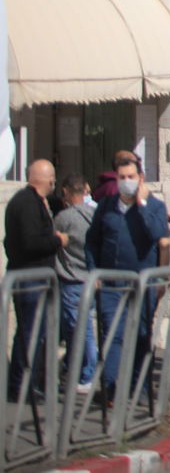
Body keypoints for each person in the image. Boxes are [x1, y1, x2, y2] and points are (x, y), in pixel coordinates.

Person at [86, 152, 169, 401]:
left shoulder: (155, 206)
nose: (126, 181)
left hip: (143, 284)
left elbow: (158, 235)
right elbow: (92, 241)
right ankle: (110, 388)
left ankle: (139, 388)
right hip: (112, 284)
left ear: (140, 178)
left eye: (130, 176)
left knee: (142, 334)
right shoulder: (106, 206)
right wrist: (94, 271)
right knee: (113, 333)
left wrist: (142, 204)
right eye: (121, 177)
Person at [4, 159, 67, 400]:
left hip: (32, 278)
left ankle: (29, 383)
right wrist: (58, 240)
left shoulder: (27, 201)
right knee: (30, 333)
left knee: (33, 333)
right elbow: (30, 243)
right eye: (53, 178)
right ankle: (22, 386)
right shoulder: (27, 203)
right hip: (31, 279)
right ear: (49, 179)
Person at [53, 175, 97, 395]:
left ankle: (85, 374)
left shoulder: (64, 218)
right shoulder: (95, 214)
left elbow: (54, 242)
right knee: (84, 327)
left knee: (78, 330)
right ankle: (76, 370)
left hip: (71, 279)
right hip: (91, 279)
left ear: (66, 192)